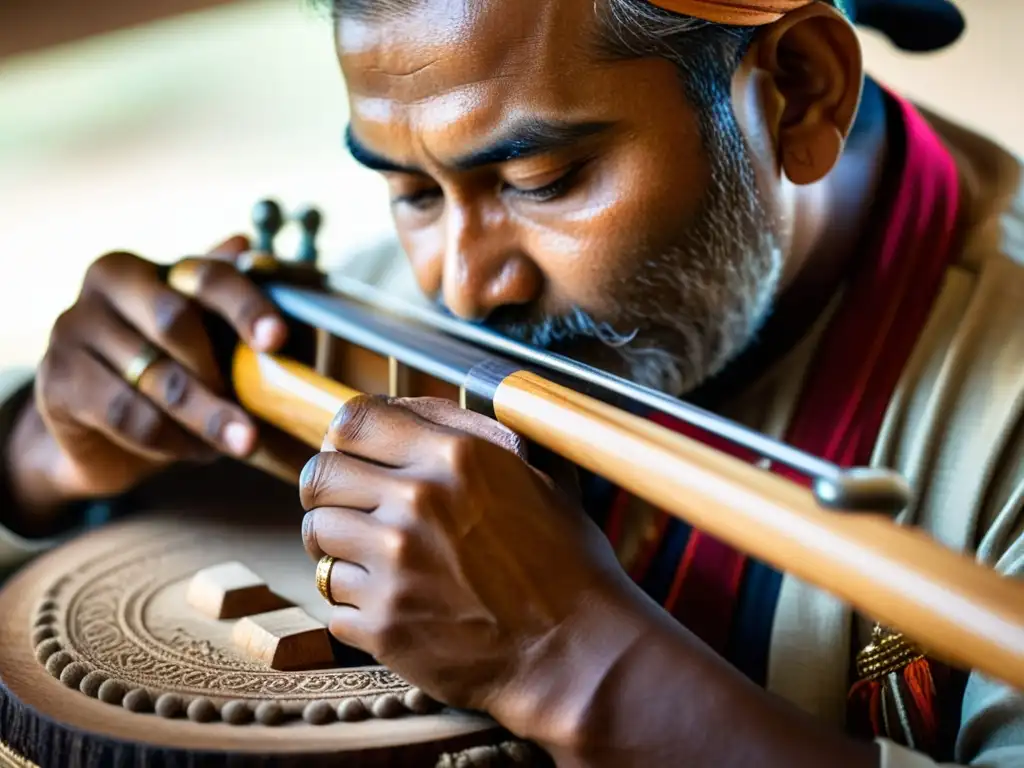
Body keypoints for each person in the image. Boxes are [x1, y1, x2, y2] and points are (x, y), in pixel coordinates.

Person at [1, 0, 1021, 765]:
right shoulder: (400, 291)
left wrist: (572, 661)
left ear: (797, 89)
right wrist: (44, 461)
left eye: (541, 183)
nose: (458, 282)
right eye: (407, 189)